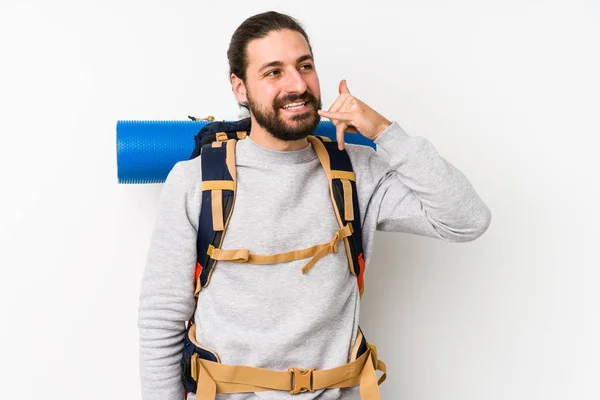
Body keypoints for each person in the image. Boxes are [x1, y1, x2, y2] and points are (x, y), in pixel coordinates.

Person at [138, 10, 491, 400]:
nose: (297, 84)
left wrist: (385, 132)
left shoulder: (357, 169)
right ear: (240, 88)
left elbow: (466, 220)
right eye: (273, 72)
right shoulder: (194, 180)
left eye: (304, 66)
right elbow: (161, 320)